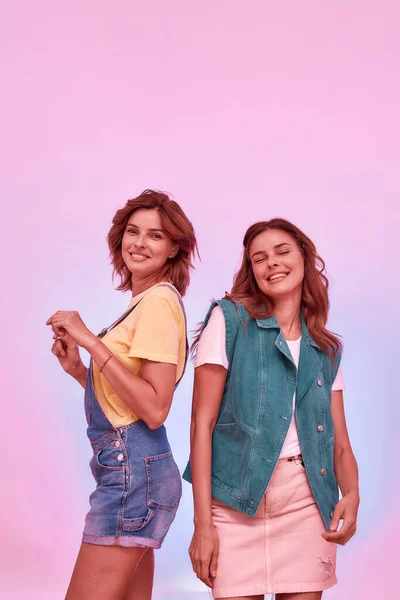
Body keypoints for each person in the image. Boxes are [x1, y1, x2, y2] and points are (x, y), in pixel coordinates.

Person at [184, 218, 359, 600]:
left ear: (303, 258)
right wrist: (202, 525)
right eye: (259, 258)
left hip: (306, 504)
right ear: (252, 271)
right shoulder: (229, 320)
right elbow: (202, 423)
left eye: (282, 252)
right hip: (233, 504)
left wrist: (353, 494)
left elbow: (339, 441)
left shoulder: (325, 349)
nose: (272, 264)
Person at [46, 190, 198, 600]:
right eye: (133, 232)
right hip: (137, 474)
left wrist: (91, 341)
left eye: (155, 236)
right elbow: (127, 403)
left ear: (173, 249)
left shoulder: (158, 303)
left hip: (131, 478)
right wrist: (80, 370)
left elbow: (154, 408)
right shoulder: (144, 302)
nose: (139, 243)